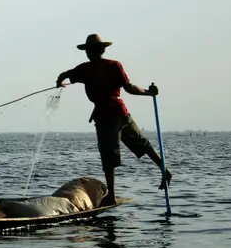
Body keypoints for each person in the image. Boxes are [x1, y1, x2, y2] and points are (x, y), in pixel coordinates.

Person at [55, 34, 172, 207]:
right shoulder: (109, 66)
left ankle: (111, 195)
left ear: (92, 52)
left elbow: (64, 75)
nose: (89, 54)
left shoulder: (87, 69)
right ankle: (165, 171)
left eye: (90, 51)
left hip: (107, 116)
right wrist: (148, 92)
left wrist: (59, 82)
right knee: (142, 143)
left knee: (108, 155)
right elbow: (129, 88)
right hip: (121, 113)